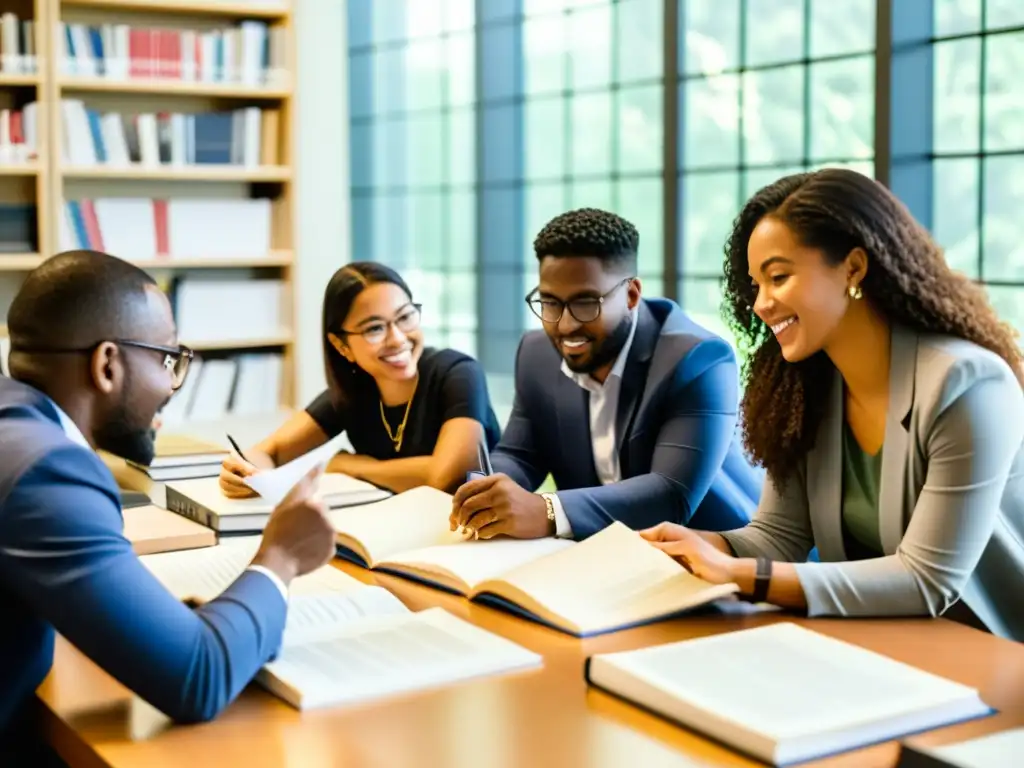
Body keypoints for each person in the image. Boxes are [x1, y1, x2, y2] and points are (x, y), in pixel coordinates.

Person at [640, 168, 1024, 642]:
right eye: (755, 284)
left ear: (854, 269)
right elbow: (778, 538)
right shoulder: (808, 390)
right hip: (879, 643)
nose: (761, 304)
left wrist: (737, 574)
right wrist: (699, 546)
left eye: (778, 277)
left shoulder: (969, 384)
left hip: (993, 654)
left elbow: (928, 580)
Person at [0, 250, 337, 762]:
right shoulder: (48, 470)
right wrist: (282, 558)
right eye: (166, 359)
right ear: (107, 364)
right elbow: (196, 677)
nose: (171, 384)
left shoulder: (17, 425)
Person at [450, 208, 763, 541]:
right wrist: (486, 489)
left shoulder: (698, 359)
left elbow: (670, 494)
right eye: (551, 303)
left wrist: (547, 511)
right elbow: (520, 454)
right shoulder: (536, 352)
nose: (566, 325)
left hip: (714, 554)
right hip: (599, 552)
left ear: (631, 295)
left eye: (586, 303)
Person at [219, 262, 501, 497]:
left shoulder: (459, 373)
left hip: (477, 534)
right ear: (341, 346)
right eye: (375, 328)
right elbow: (272, 452)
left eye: (405, 317)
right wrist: (246, 472)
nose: (397, 338)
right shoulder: (353, 390)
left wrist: (352, 466)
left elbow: (448, 476)